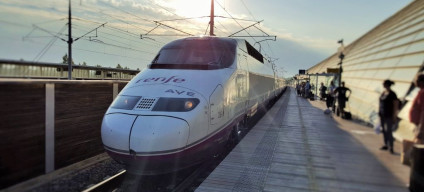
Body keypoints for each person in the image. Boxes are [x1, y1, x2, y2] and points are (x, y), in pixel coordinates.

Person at [379, 80, 398, 154]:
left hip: (389, 115)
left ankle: (391, 146)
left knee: (389, 131)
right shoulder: (383, 93)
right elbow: (380, 103)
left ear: (387, 85)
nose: (383, 85)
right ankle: (386, 144)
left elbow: (395, 105)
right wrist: (379, 112)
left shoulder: (392, 94)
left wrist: (394, 116)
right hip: (382, 114)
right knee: (384, 130)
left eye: (384, 84)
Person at [409, 73, 424, 144]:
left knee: (419, 146)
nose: (415, 82)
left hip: (421, 126)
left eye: (416, 80)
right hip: (418, 124)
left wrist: (420, 128)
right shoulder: (421, 91)